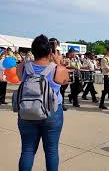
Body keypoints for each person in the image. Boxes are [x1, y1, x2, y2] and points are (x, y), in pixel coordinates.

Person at [16, 34, 69, 171]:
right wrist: (57, 62)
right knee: (51, 150)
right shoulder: (58, 69)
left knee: (27, 150)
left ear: (33, 51)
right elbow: (65, 82)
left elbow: (18, 74)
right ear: (50, 52)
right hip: (52, 113)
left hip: (27, 111)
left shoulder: (24, 68)